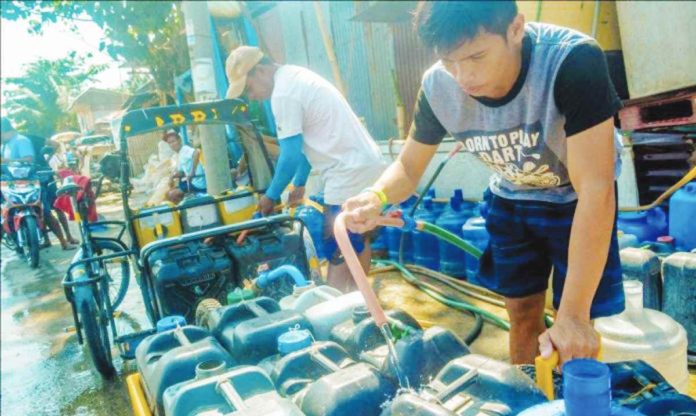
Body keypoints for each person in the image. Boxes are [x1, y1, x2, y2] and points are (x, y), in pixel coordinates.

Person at [343, 1, 625, 366]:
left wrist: (571, 314)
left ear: (516, 29)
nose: (463, 77)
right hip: (511, 196)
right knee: (522, 312)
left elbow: (596, 189)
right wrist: (375, 196)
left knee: (577, 325)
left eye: (477, 57)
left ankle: (579, 412)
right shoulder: (438, 85)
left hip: (575, 199)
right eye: (450, 61)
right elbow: (409, 167)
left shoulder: (572, 61)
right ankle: (524, 400)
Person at [225, 46, 387, 292]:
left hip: (346, 173)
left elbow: (289, 155)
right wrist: (300, 183)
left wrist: (269, 197)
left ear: (259, 71)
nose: (252, 96)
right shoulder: (294, 76)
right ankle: (361, 304)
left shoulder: (283, 95)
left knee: (339, 247)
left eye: (249, 89)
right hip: (366, 165)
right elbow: (305, 146)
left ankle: (336, 318)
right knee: (358, 239)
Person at [1, 117, 76, 250]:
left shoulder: (23, 140)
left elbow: (29, 159)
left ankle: (65, 239)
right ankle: (45, 239)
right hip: (17, 184)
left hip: (38, 179)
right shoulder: (6, 144)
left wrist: (47, 162)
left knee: (48, 209)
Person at [165, 130, 206, 195]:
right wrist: (171, 177)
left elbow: (196, 153)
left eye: (173, 141)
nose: (172, 144)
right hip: (192, 182)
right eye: (169, 143)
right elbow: (182, 172)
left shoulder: (184, 150)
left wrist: (192, 173)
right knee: (173, 189)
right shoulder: (179, 154)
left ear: (179, 140)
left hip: (198, 184)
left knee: (171, 194)